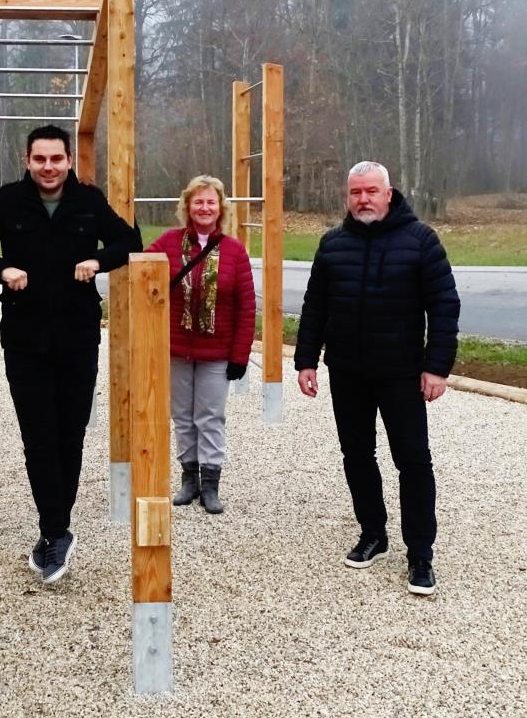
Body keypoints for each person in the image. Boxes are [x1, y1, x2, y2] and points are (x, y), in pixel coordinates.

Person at [0, 125, 141, 585]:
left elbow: (129, 243)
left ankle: (56, 525)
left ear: (68, 161)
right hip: (25, 339)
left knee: (70, 435)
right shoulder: (11, 200)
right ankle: (55, 531)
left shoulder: (88, 201)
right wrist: (2, 269)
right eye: (40, 159)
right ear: (27, 160)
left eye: (56, 159)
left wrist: (98, 260)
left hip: (78, 336)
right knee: (38, 437)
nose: (48, 167)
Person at [294, 161, 460, 596]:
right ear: (347, 196)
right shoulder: (333, 244)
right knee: (356, 454)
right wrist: (306, 360)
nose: (363, 199)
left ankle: (420, 552)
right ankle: (373, 533)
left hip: (401, 372)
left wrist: (437, 367)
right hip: (347, 370)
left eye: (371, 191)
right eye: (356, 192)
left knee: (413, 460)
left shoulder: (420, 240)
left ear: (388, 193)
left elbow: (444, 305)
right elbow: (315, 306)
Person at [147, 175, 255, 514]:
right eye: (198, 202)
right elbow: (141, 269)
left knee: (209, 417)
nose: (204, 208)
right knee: (182, 416)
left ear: (220, 207)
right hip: (176, 348)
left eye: (210, 202)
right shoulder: (168, 243)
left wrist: (240, 355)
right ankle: (188, 478)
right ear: (187, 206)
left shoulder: (234, 251)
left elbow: (246, 307)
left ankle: (210, 483)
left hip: (216, 352)